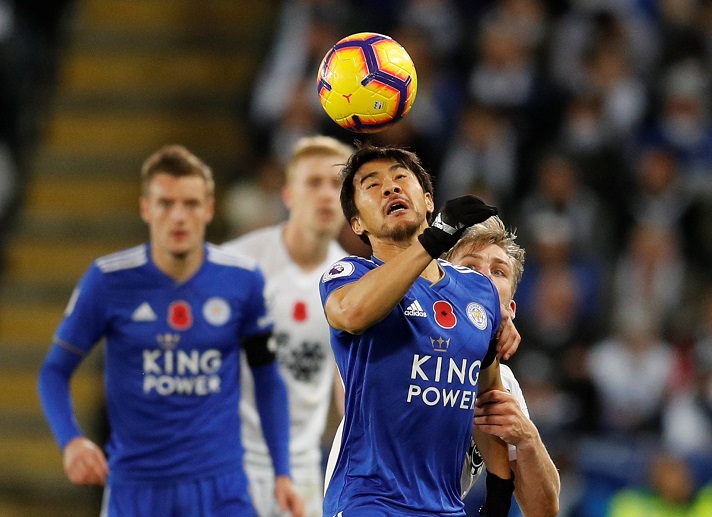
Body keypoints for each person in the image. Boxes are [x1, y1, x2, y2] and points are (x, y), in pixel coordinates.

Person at [37, 145, 304, 517]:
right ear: (146, 208)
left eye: (191, 204)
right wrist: (72, 442)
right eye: (165, 204)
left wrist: (283, 472)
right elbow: (53, 372)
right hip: (135, 488)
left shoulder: (241, 280)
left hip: (221, 487)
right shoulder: (108, 280)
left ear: (209, 210)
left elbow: (267, 376)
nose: (179, 216)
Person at [319, 142, 515, 516]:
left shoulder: (478, 292)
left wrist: (499, 497)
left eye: (400, 178)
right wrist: (434, 240)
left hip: (445, 506)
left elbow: (489, 399)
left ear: (428, 201)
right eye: (372, 185)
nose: (390, 188)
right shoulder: (350, 276)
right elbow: (352, 312)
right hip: (370, 501)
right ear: (357, 223)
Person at [223, 135, 351, 517]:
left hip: (300, 471)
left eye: (337, 185)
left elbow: (347, 385)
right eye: (314, 183)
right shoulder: (238, 265)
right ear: (288, 194)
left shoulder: (354, 284)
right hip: (228, 461)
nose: (327, 195)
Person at [444, 216, 561, 517]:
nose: (483, 279)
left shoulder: (503, 385)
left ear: (510, 308)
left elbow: (543, 512)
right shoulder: (406, 335)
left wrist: (527, 438)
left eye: (498, 271)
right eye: (470, 267)